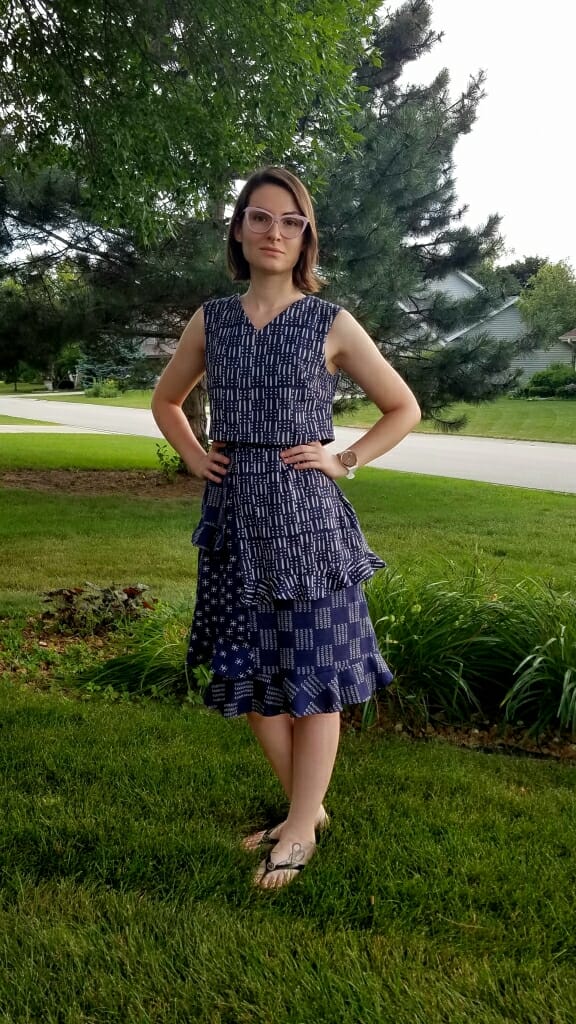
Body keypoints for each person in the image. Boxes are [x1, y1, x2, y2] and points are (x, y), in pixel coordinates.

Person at [151, 166, 421, 890]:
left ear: (305, 237)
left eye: (291, 221)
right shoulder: (212, 320)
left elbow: (403, 406)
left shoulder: (330, 321)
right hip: (235, 517)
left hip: (308, 522)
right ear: (239, 230)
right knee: (249, 675)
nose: (275, 232)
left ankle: (299, 825)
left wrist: (346, 458)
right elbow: (167, 400)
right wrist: (193, 455)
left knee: (317, 675)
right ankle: (311, 810)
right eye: (261, 218)